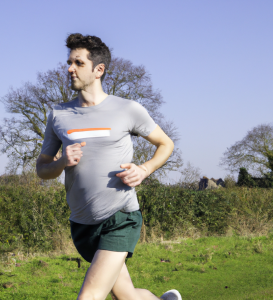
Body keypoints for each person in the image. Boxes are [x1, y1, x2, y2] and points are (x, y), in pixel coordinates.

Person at [36, 33, 182, 300]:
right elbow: (42, 169)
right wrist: (61, 162)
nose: (69, 68)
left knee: (89, 296)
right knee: (126, 294)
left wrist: (145, 169)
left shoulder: (128, 109)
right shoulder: (59, 114)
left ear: (98, 69)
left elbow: (166, 144)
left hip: (120, 217)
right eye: (69, 62)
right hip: (82, 223)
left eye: (78, 63)